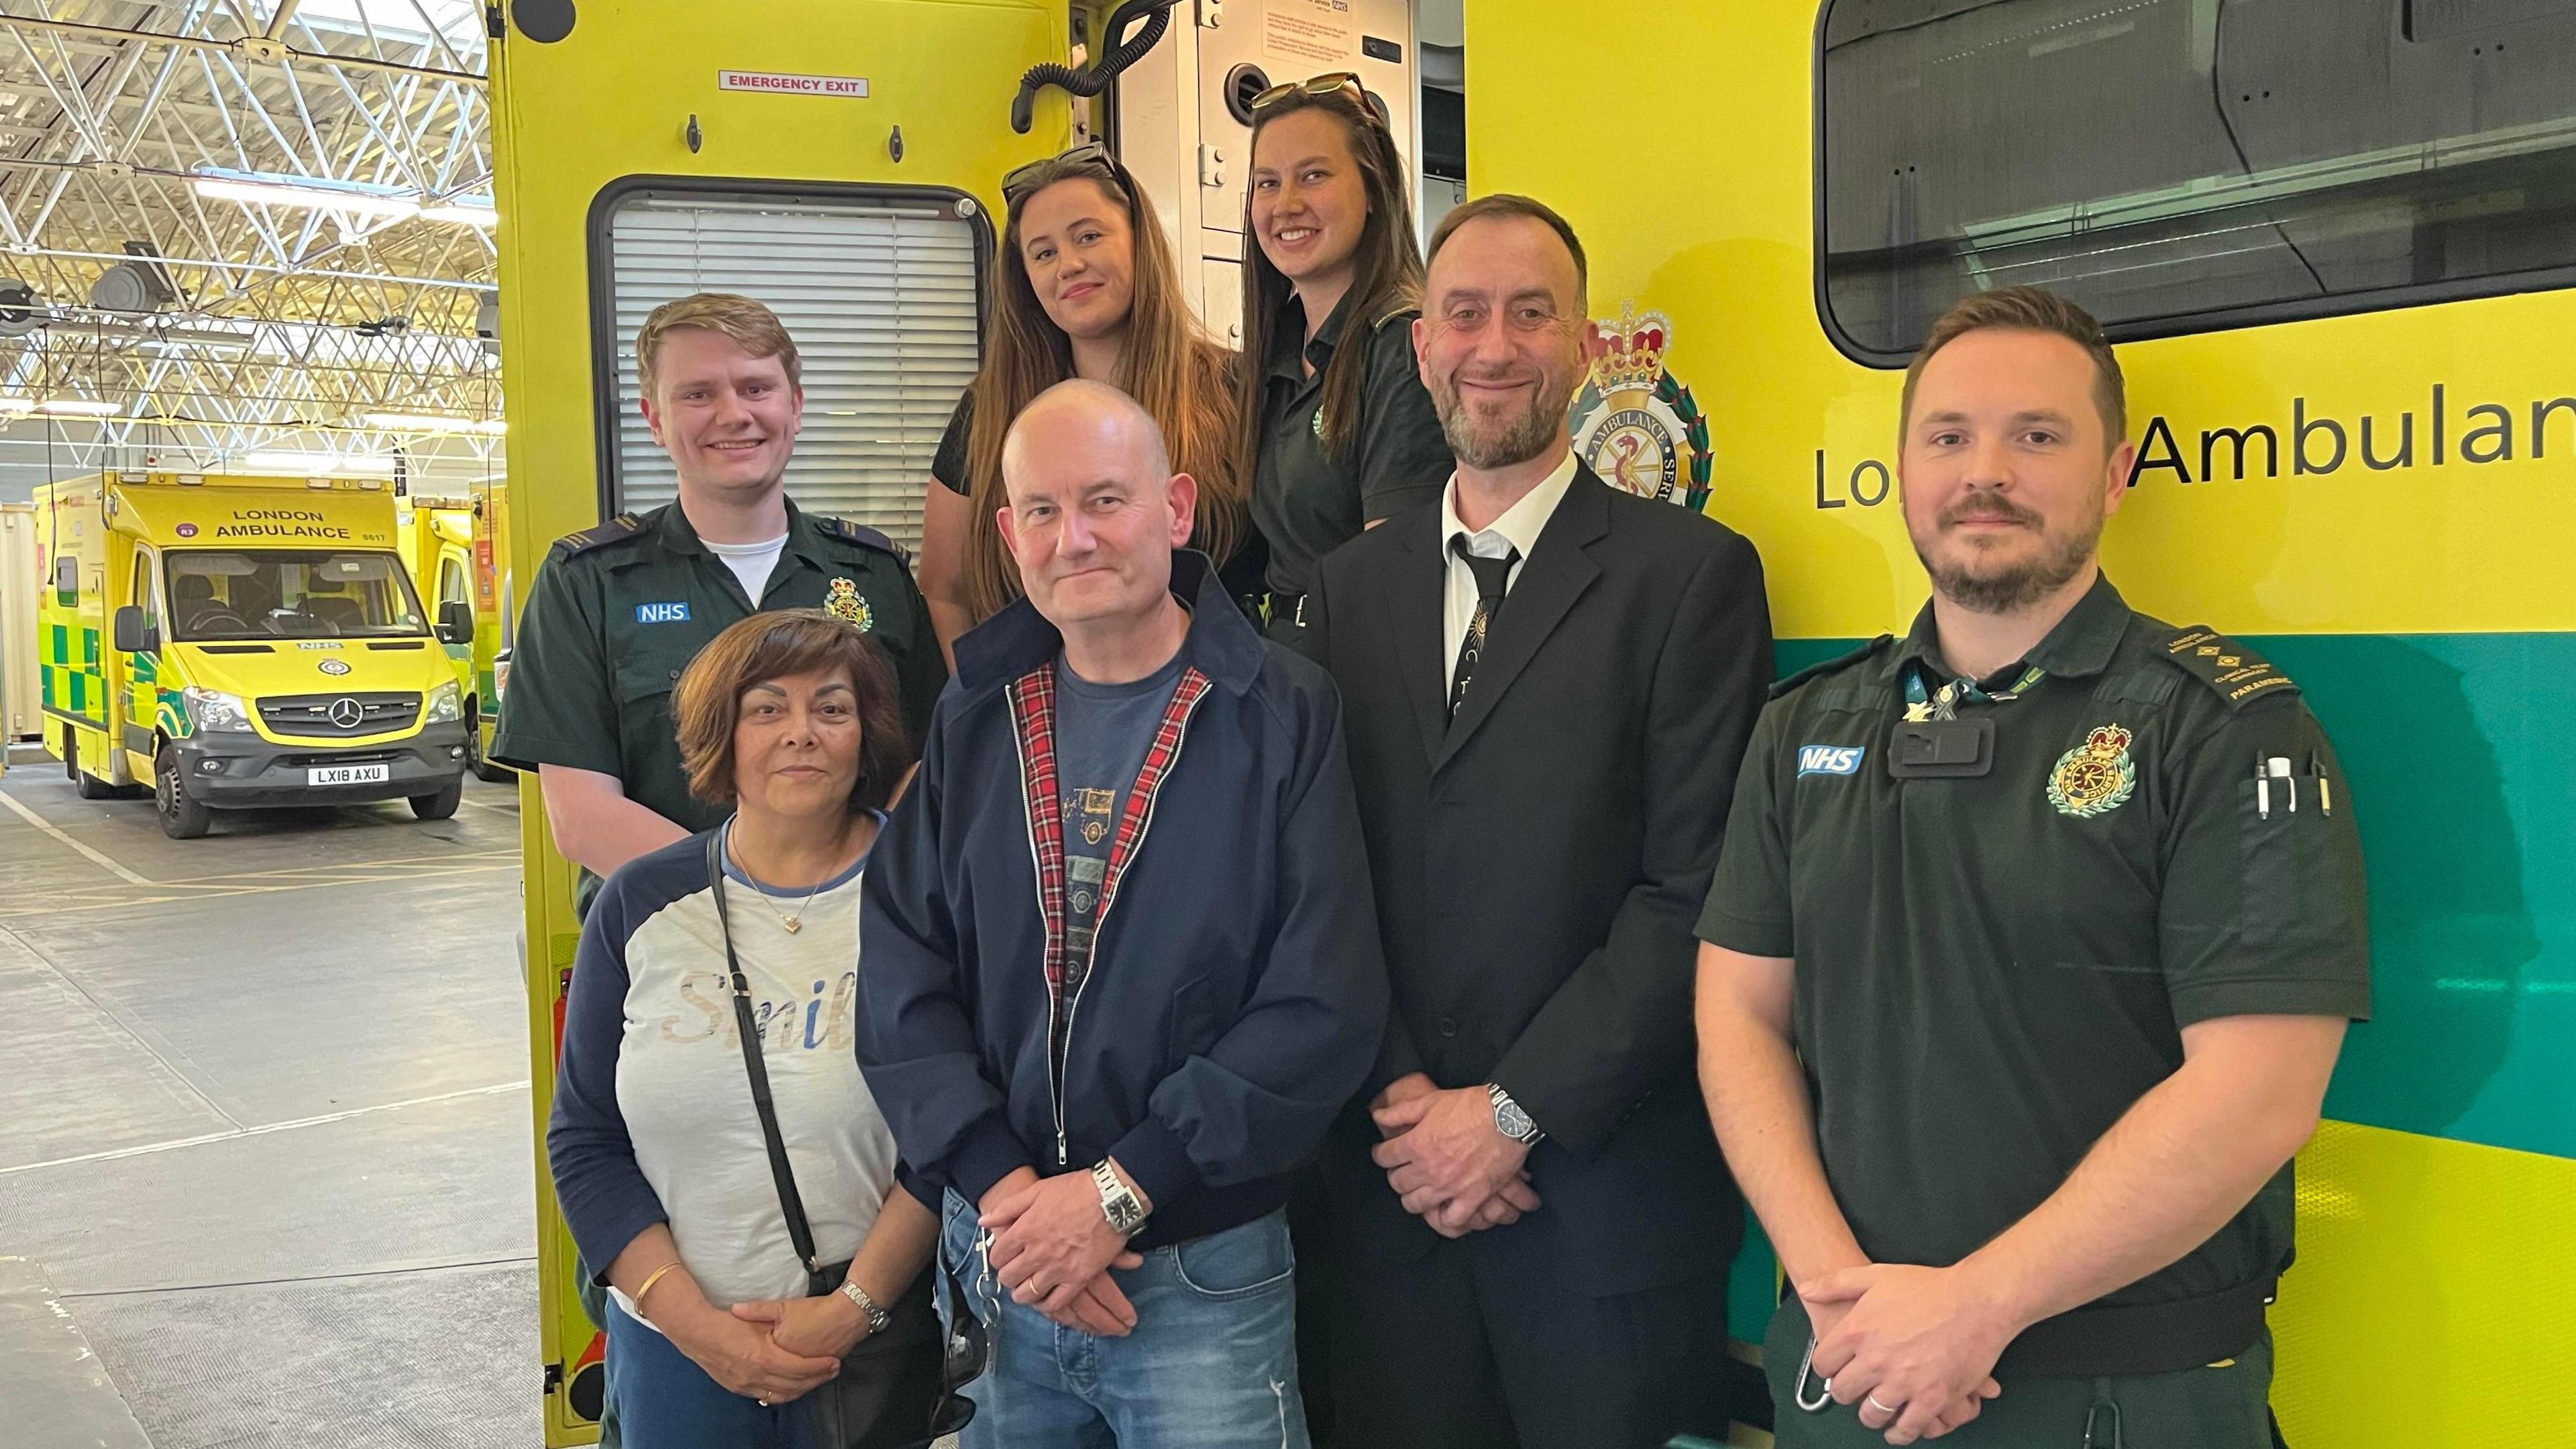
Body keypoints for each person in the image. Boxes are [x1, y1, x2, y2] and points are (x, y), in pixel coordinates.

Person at [1694, 286, 2369, 1448]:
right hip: (1851, 1373)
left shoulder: (2218, 728)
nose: (1984, 470)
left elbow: (2260, 1094)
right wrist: (1838, 1292)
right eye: (1948, 436)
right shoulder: (1805, 726)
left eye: (2037, 436)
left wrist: (1974, 1309)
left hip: (2122, 1398)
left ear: (2114, 474)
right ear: (1904, 469)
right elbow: (1738, 1016)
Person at [1300, 193, 1775, 1448]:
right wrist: (1409, 1103)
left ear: (1582, 343)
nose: (1493, 345)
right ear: (1422, 349)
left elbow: (1699, 893)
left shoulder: (1693, 578)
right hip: (1392, 1205)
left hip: (1603, 1218)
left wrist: (1507, 1115)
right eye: (1463, 314)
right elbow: (1320, 880)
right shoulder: (1346, 595)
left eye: (1530, 313)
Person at [857, 379, 1389, 1448]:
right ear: (1007, 536)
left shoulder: (1283, 711)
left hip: (1196, 1271)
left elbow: (1322, 998)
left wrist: (1119, 1192)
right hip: (1002, 1265)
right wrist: (1011, 1198)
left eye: (1106, 500)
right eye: (1044, 513)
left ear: (1178, 510)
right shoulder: (972, 718)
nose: (1076, 539)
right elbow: (902, 978)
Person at [548, 609, 943, 1449]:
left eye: (831, 709)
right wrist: (695, 1326)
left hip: (868, 1350)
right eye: (767, 709)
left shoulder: (930, 901)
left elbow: (953, 1133)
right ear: (720, 739)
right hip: (673, 1357)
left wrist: (853, 1309)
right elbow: (584, 1139)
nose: (801, 733)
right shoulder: (639, 904)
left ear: (866, 737)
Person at [494, 290, 947, 900]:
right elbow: (582, 817)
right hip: (669, 946)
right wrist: (759, 904)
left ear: (796, 407)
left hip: (859, 938)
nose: (734, 415)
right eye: (699, 394)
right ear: (655, 420)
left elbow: (919, 768)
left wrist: (844, 899)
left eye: (756, 388)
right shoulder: (586, 583)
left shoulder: (874, 576)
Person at [916, 143, 1256, 658]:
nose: (1070, 265)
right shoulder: (986, 414)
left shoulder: (1235, 390)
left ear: (1139, 243)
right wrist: (984, 710)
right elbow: (945, 589)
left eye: (1089, 237)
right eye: (1044, 253)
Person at [1239, 73, 1454, 645]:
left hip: (1359, 667)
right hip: (1286, 657)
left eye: (1313, 175)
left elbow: (1394, 578)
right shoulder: (1277, 351)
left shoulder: (1403, 346)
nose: (1285, 205)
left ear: (1374, 190)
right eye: (1267, 183)